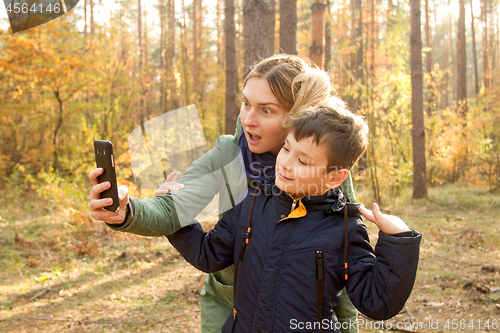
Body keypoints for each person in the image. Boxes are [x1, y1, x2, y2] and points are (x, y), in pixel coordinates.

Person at [89, 54, 359, 332]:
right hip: (229, 311)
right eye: (246, 104)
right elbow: (172, 208)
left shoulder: (327, 164)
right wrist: (127, 210)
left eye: (266, 110)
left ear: (297, 117)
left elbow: (344, 256)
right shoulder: (230, 152)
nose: (248, 120)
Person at [167, 102, 422, 332]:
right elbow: (208, 254)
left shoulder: (344, 228)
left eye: (303, 160)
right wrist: (176, 217)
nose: (286, 163)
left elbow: (376, 303)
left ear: (335, 177)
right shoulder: (252, 202)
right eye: (286, 148)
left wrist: (399, 241)